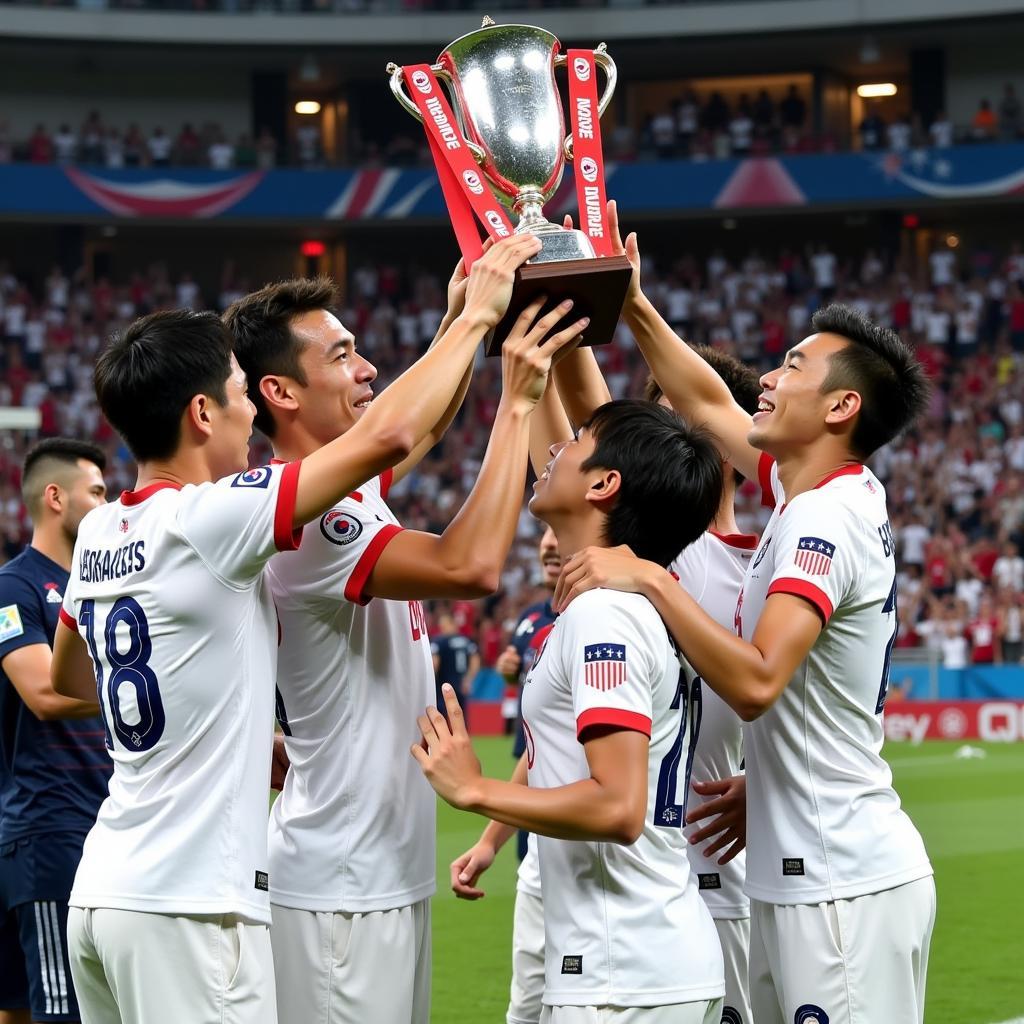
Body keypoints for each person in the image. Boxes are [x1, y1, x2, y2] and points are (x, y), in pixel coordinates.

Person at [48, 233, 547, 1024]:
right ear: (206, 409)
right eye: (238, 390)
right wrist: (480, 331)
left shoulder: (105, 532)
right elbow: (395, 452)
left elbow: (70, 682)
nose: (246, 405)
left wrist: (223, 721)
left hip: (108, 886)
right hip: (202, 898)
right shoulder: (219, 516)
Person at [555, 201, 936, 1024]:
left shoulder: (820, 520)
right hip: (806, 867)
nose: (768, 377)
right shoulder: (812, 488)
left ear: (840, 409)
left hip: (839, 878)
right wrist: (635, 305)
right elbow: (701, 400)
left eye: (793, 367)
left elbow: (760, 681)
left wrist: (653, 582)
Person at [225, 263, 587, 1024]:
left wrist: (461, 319)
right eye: (341, 356)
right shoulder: (313, 519)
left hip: (375, 869)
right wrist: (514, 400)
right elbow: (470, 564)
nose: (367, 368)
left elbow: (414, 427)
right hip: (340, 885)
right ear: (281, 394)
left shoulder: (333, 490)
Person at [414, 397, 727, 1023]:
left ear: (605, 484)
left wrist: (475, 790)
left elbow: (616, 806)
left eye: (577, 439)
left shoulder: (604, 613)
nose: (555, 449)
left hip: (623, 972)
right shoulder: (625, 603)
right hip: (633, 961)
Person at [0, 440, 109, 1024]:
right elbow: (44, 692)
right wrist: (144, 688)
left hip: (97, 822)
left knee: (22, 1009)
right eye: (95, 492)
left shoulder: (98, 586)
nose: (107, 502)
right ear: (55, 497)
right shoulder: (14, 588)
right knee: (58, 1012)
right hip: (49, 829)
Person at [449, 526, 561, 1024]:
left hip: (592, 838)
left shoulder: (606, 622)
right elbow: (545, 740)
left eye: (563, 528)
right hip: (536, 787)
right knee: (527, 1004)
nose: (549, 543)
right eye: (543, 533)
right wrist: (491, 840)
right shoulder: (535, 619)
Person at [432, 613, 481, 722]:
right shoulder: (467, 640)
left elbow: (435, 663)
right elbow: (475, 660)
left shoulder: (439, 641)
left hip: (444, 684)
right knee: (461, 716)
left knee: (444, 717)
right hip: (461, 683)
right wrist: (469, 679)